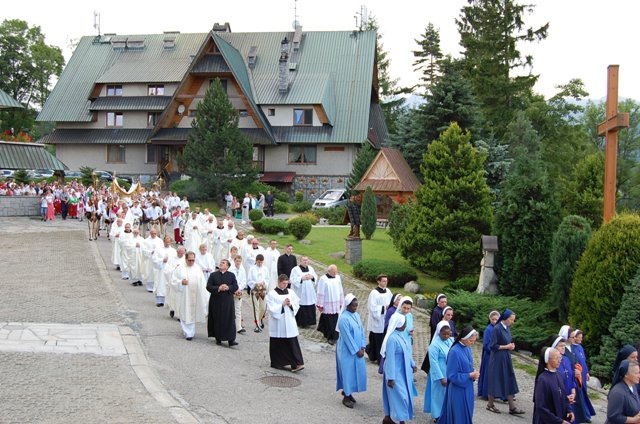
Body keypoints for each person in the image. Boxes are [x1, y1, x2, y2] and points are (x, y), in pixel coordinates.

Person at [438, 325, 480, 424]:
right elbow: (452, 375)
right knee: (459, 417)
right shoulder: (454, 352)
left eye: (474, 341)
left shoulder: (467, 348)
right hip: (457, 391)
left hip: (467, 388)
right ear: (463, 339)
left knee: (467, 414)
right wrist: (470, 375)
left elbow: (469, 366)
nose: (472, 343)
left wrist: (474, 373)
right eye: (471, 341)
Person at [486, 309, 523, 415]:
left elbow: (507, 341)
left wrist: (511, 346)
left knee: (508, 378)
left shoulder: (507, 328)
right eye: (511, 319)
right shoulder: (497, 329)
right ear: (506, 319)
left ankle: (512, 407)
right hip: (497, 358)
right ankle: (490, 404)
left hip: (505, 357)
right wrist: (506, 346)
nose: (513, 322)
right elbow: (493, 346)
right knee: (496, 379)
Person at [381, 313, 415, 424]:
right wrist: (390, 377)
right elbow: (390, 359)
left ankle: (388, 418)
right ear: (399, 324)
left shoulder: (400, 335)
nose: (406, 325)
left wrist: (412, 364)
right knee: (401, 396)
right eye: (404, 323)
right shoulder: (392, 339)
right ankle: (401, 421)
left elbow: (406, 351)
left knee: (400, 395)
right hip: (394, 372)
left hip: (403, 370)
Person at [266, 274, 304, 372]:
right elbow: (271, 308)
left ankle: (296, 364)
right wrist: (282, 305)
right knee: (278, 343)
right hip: (278, 323)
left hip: (289, 321)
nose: (285, 285)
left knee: (292, 342)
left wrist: (290, 304)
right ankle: (277, 362)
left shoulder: (291, 292)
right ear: (278, 282)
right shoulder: (272, 294)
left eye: (287, 283)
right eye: (283, 283)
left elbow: (297, 303)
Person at [336, 294, 367, 409]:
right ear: (348, 305)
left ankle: (349, 391)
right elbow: (347, 337)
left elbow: (362, 330)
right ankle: (346, 396)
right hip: (346, 350)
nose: (355, 308)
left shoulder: (356, 315)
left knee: (356, 372)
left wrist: (363, 346)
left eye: (356, 305)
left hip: (358, 349)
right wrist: (356, 350)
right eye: (353, 306)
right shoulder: (343, 319)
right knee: (347, 372)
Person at [171, 251, 209, 340]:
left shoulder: (197, 268)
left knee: (192, 313)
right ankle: (188, 332)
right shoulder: (180, 268)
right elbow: (173, 280)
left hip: (195, 295)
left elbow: (202, 281)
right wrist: (181, 282)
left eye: (193, 260)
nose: (191, 262)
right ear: (186, 259)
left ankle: (190, 332)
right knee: (185, 312)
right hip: (184, 295)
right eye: (189, 260)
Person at [533, 347, 573, 424]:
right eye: (556, 358)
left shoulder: (559, 375)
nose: (559, 361)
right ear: (547, 360)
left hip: (559, 417)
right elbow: (541, 407)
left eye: (560, 358)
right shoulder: (542, 379)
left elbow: (564, 396)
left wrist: (569, 410)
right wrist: (558, 421)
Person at [424, 321, 453, 422]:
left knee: (446, 395)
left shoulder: (450, 341)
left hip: (448, 371)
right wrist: (441, 377)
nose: (446, 336)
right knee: (438, 395)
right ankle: (437, 416)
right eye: (444, 334)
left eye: (448, 334)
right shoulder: (434, 345)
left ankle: (445, 413)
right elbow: (434, 363)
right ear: (439, 332)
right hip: (439, 373)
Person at [206, 259, 239, 347]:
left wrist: (228, 287)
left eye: (223, 263)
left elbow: (235, 286)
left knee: (229, 319)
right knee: (217, 319)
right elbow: (208, 287)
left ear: (227, 266)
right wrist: (219, 288)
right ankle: (218, 338)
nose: (221, 263)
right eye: (220, 262)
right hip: (216, 301)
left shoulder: (231, 275)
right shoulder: (213, 275)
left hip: (228, 301)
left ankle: (231, 340)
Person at [365, 274, 392, 364]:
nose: (385, 283)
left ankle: (379, 356)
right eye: (383, 281)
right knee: (377, 340)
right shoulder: (374, 293)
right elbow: (372, 307)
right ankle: (377, 357)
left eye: (386, 281)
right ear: (378, 281)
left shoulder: (388, 291)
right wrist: (384, 307)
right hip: (377, 320)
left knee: (383, 339)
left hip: (385, 319)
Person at [316, 264, 344, 345]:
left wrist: (341, 301)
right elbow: (320, 291)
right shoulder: (323, 279)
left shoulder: (337, 277)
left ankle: (325, 330)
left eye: (336, 271)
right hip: (327, 302)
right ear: (329, 271)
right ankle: (331, 337)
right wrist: (320, 304)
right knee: (329, 320)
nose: (335, 273)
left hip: (336, 302)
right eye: (334, 271)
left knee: (334, 318)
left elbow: (340, 289)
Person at [606, 360, 640, 424]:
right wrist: (633, 420)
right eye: (636, 373)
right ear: (626, 375)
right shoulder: (618, 393)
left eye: (639, 372)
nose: (639, 376)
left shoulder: (633, 386)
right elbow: (613, 416)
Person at [574, 330, 597, 421]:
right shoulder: (572, 348)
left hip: (583, 375)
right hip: (578, 375)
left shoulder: (580, 347)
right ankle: (584, 415)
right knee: (580, 394)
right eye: (579, 337)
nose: (581, 339)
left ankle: (586, 414)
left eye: (581, 337)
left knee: (584, 394)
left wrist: (587, 372)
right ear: (574, 337)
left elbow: (584, 361)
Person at [290, 256, 318, 327]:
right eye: (304, 260)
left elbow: (315, 277)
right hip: (300, 292)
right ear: (300, 261)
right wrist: (301, 278)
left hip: (310, 291)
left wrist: (312, 277)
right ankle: (302, 323)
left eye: (306, 260)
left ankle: (310, 322)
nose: (305, 261)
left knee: (310, 305)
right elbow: (292, 279)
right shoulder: (295, 269)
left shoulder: (311, 268)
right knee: (302, 306)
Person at [478, 310, 500, 399]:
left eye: (496, 319)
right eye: (493, 319)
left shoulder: (499, 329)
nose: (494, 321)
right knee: (488, 374)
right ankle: (486, 393)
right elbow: (486, 344)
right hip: (490, 355)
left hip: (497, 354)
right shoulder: (488, 329)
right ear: (490, 319)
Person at [248, 254, 269, 332]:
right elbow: (249, 280)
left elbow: (267, 279)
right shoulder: (252, 269)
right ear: (256, 261)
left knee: (263, 307)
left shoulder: (265, 269)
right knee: (256, 307)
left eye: (261, 262)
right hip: (255, 289)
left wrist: (264, 283)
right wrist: (255, 283)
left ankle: (259, 320)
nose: (259, 263)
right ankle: (257, 324)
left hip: (263, 289)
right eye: (258, 262)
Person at [229, 255, 247, 334]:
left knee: (238, 309)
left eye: (239, 261)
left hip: (239, 292)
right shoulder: (231, 270)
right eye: (237, 261)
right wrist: (235, 289)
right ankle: (229, 325)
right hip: (232, 291)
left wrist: (240, 289)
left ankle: (238, 327)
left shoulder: (242, 270)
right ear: (234, 261)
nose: (238, 263)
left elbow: (244, 281)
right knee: (230, 309)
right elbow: (230, 281)